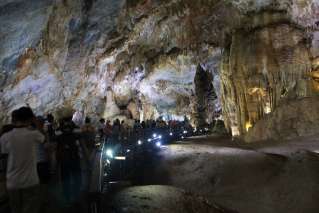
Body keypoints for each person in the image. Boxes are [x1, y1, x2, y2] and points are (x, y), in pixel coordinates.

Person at [0, 107, 45, 213]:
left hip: (12, 182)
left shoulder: (5, 137)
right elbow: (43, 139)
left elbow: (4, 157)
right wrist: (37, 124)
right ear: (30, 119)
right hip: (30, 182)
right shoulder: (33, 134)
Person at [56, 117, 83, 204]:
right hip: (74, 158)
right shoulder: (75, 130)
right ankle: (77, 197)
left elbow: (56, 144)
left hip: (64, 159)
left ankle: (67, 197)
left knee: (65, 179)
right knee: (77, 178)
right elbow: (81, 140)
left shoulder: (59, 131)